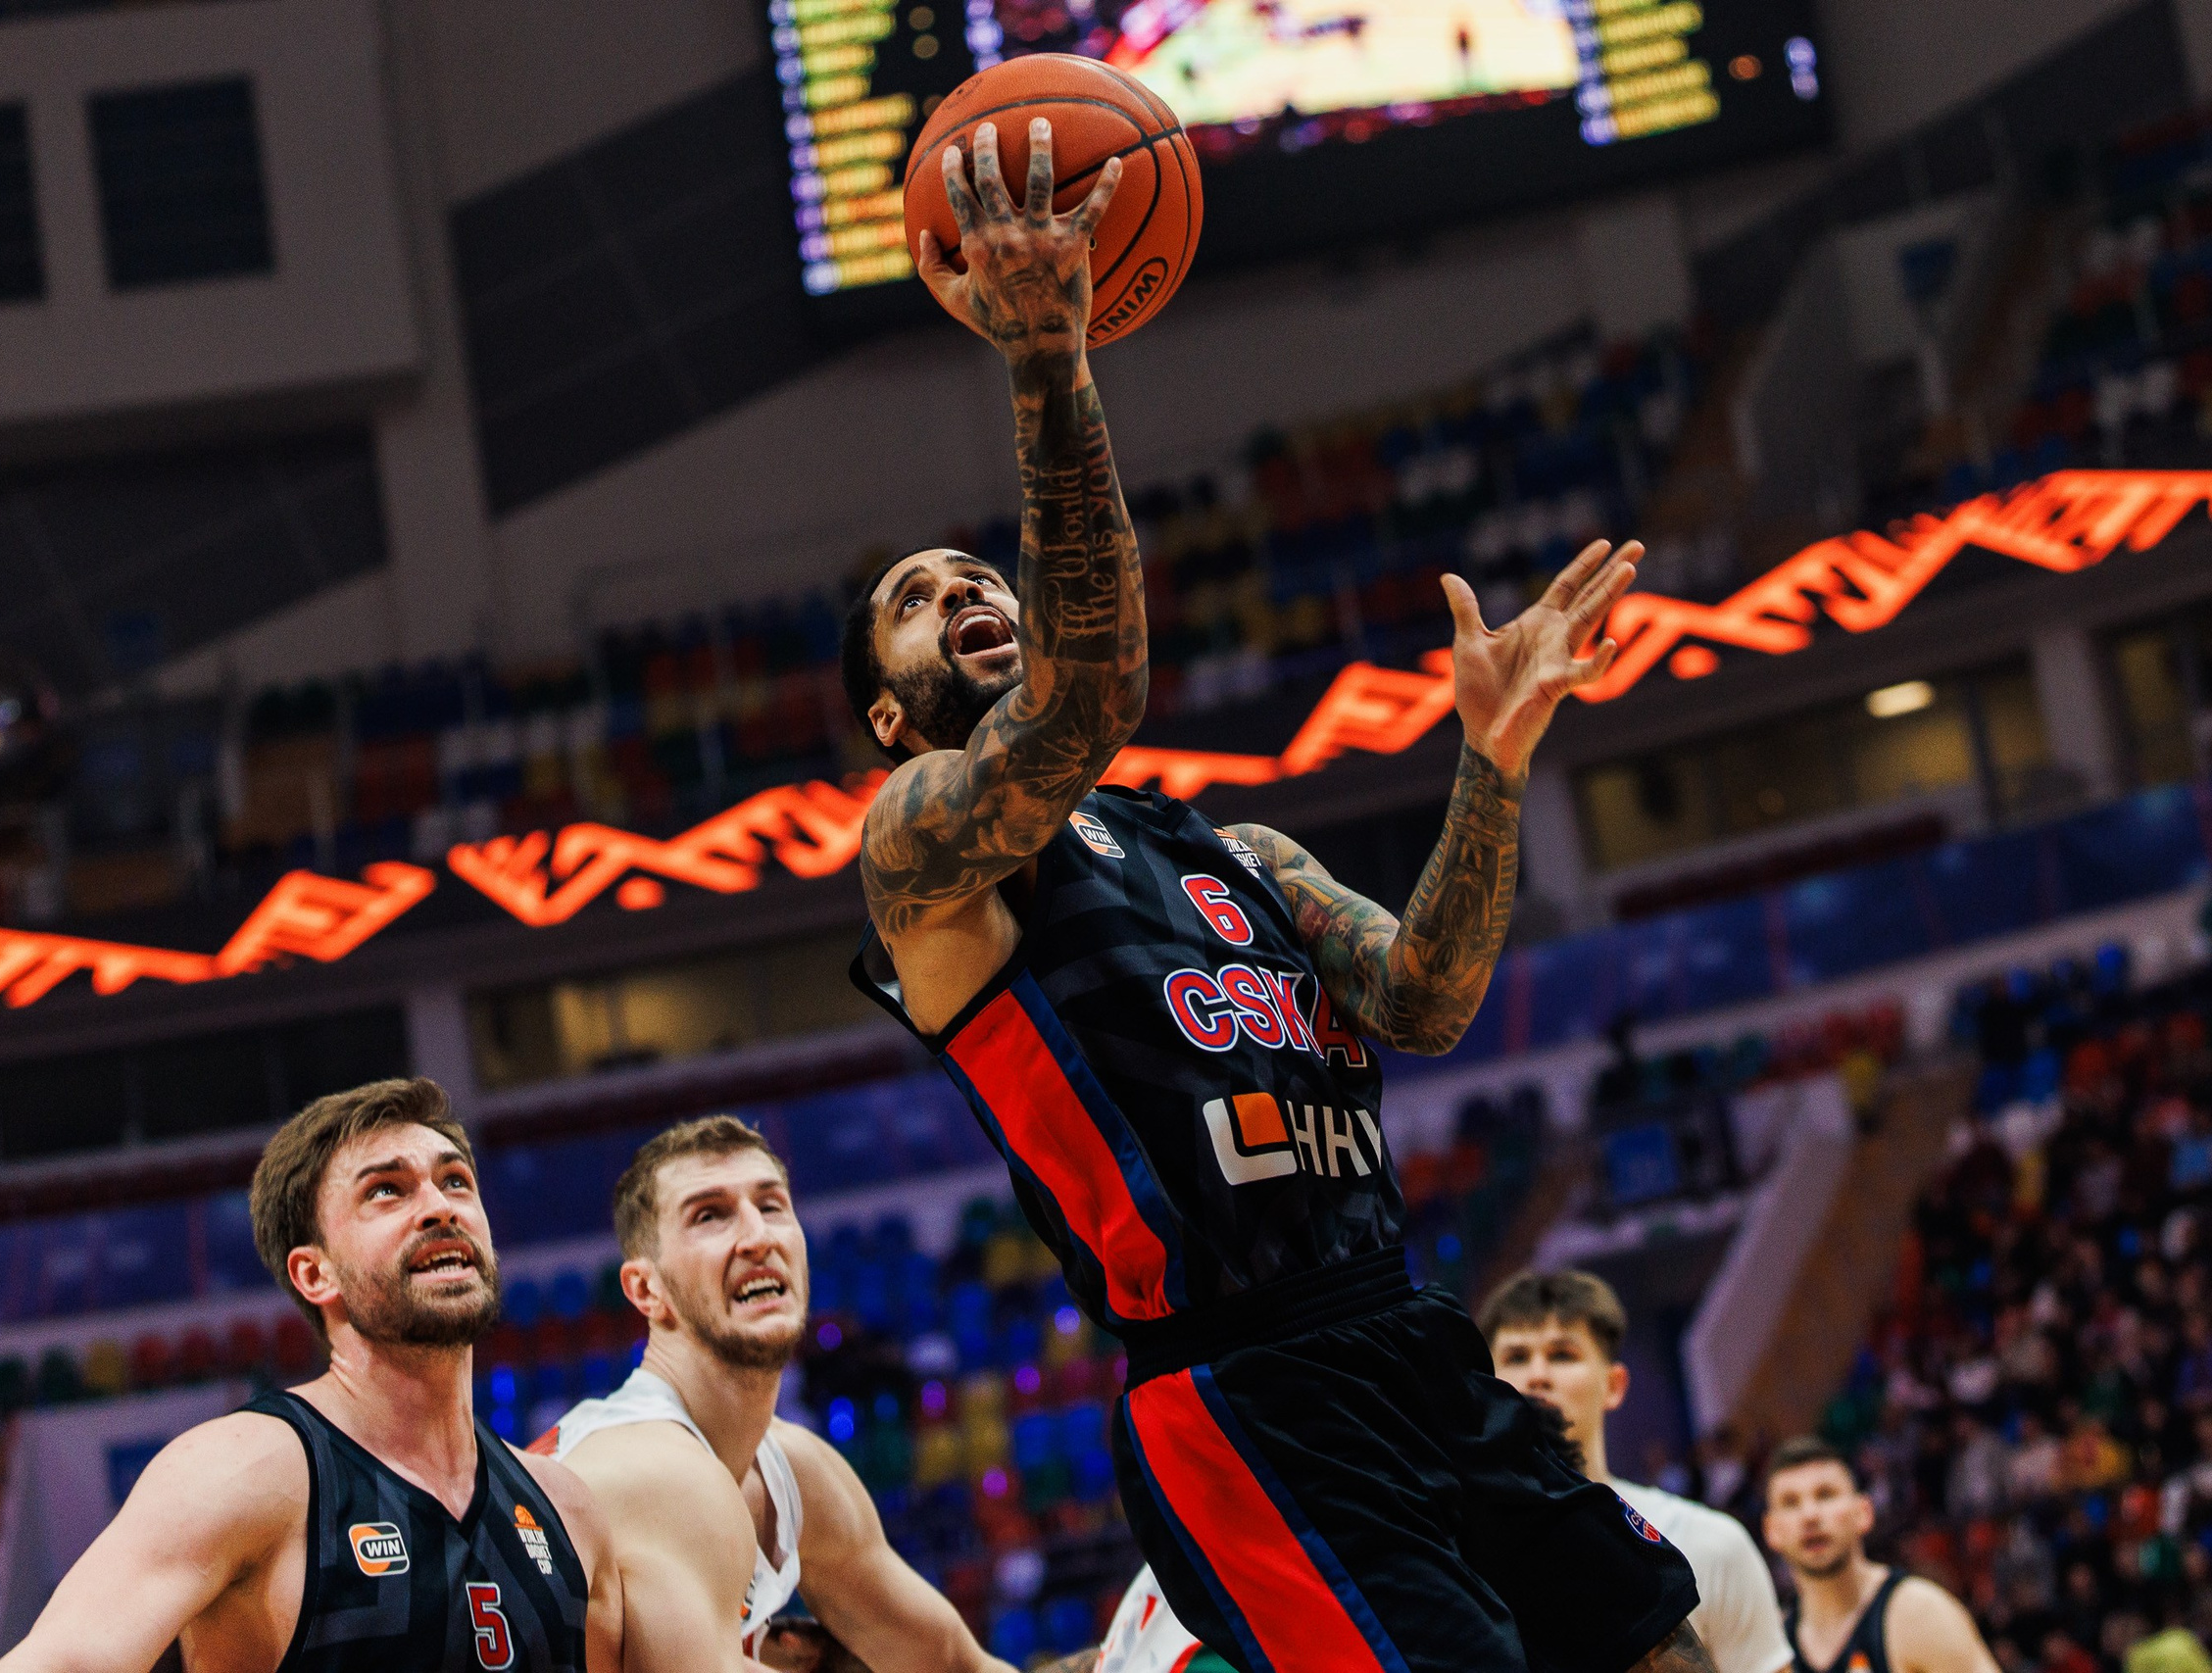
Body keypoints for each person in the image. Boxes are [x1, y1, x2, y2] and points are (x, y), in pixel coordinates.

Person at [844, 111, 1700, 1673]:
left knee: (1665, 1647)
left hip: (1405, 1323)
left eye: (979, 574)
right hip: (1244, 1385)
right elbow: (1088, 694)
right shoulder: (921, 846)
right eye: (918, 598)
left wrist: (1492, 763)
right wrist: (1049, 354)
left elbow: (1424, 996)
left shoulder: (1234, 849)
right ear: (892, 719)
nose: (963, 586)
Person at [0, 1078, 630, 1673]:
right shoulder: (243, 1472)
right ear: (315, 1273)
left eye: (456, 1181)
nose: (440, 1207)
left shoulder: (566, 1509)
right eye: (387, 1190)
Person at [536, 1115, 1009, 1673]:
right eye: (709, 1216)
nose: (758, 1237)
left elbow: (955, 1665)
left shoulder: (797, 1475)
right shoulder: (650, 1473)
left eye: (771, 1205)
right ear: (646, 1289)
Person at [1480, 1270, 1793, 1673]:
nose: (1537, 1376)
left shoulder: (1711, 1545)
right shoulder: (1459, 1559)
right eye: (1516, 1357)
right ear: (1484, 1386)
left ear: (1614, 1385)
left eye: (1562, 1355)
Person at [1763, 1437, 2004, 1673]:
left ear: (1863, 1512)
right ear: (1771, 1530)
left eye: (1825, 1495)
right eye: (1790, 1502)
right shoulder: (1771, 1651)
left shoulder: (1919, 1614)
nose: (1810, 1515)